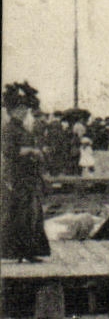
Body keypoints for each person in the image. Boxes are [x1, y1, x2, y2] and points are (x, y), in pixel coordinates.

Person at [1, 82, 51, 261]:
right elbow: (9, 152)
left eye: (25, 109)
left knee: (31, 213)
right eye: (20, 109)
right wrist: (31, 151)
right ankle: (19, 252)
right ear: (12, 111)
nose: (24, 112)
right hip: (15, 177)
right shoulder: (9, 129)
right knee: (19, 214)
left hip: (27, 176)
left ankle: (29, 251)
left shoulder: (22, 128)